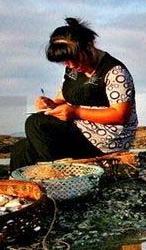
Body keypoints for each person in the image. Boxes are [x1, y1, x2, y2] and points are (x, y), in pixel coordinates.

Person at [10, 17, 138, 170]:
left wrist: (76, 112)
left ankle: (63, 174)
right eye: (66, 62)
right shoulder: (73, 69)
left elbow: (120, 114)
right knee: (21, 148)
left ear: (89, 46)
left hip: (106, 140)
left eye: (74, 59)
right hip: (79, 129)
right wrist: (49, 104)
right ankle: (21, 188)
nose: (71, 65)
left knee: (35, 123)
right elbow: (62, 98)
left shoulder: (115, 72)